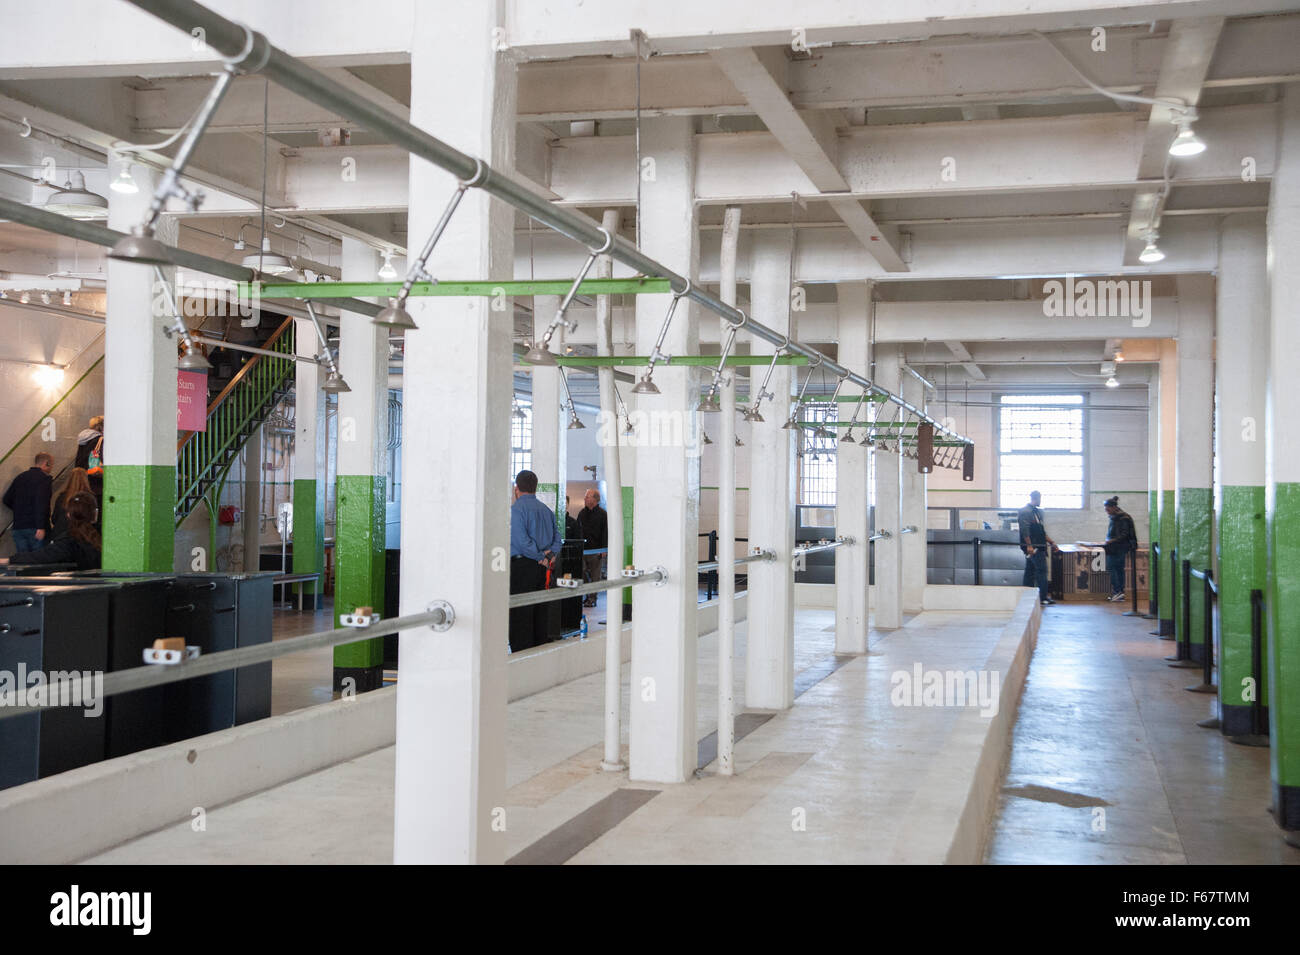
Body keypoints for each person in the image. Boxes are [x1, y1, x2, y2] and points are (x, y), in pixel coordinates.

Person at [508, 470, 562, 653]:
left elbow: (521, 541)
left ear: (517, 488)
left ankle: (522, 653)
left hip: (522, 567)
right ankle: (539, 650)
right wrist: (548, 557)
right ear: (535, 487)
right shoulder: (546, 510)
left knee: (521, 611)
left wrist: (539, 557)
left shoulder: (516, 510)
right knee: (540, 609)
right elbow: (557, 538)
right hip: (543, 569)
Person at [9, 492, 101, 570]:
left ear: (68, 514)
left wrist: (10, 560)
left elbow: (40, 556)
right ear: (95, 514)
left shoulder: (68, 540)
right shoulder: (102, 535)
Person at [3, 452, 54, 553]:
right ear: (46, 463)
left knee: (23, 562)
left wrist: (20, 510)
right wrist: (40, 526)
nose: (52, 467)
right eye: (51, 464)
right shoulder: (44, 479)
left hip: (18, 528)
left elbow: (6, 499)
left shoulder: (20, 477)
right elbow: (41, 502)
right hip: (36, 528)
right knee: (38, 562)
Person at [1017, 490, 1056, 607]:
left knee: (1029, 571)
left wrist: (1052, 542)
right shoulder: (1025, 511)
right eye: (1040, 498)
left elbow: (1041, 531)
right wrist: (1029, 545)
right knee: (1041, 571)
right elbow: (1025, 530)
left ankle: (1026, 596)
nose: (1040, 501)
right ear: (1037, 498)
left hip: (1039, 545)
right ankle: (1042, 597)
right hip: (1034, 547)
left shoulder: (1037, 512)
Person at [1099, 495, 1137, 602]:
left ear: (1114, 507)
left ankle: (1118, 591)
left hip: (1119, 548)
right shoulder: (1117, 517)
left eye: (1108, 509)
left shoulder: (1123, 518)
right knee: (1118, 569)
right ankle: (1119, 592)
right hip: (1115, 547)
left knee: (1112, 568)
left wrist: (1111, 541)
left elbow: (1125, 534)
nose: (1106, 511)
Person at [575, 488, 608, 608]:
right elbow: (578, 531)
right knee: (582, 571)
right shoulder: (582, 513)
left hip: (597, 551)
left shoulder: (603, 514)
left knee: (595, 576)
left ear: (594, 499)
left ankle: (592, 598)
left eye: (587, 496)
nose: (584, 499)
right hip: (583, 550)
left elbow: (606, 532)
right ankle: (588, 595)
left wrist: (604, 549)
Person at [50, 467, 93, 540]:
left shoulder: (62, 497)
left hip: (60, 535)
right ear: (86, 479)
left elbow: (54, 518)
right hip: (82, 536)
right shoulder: (90, 498)